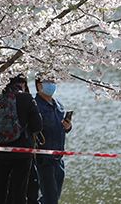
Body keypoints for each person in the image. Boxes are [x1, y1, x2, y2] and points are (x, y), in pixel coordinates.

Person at [0, 74, 42, 204]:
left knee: (0, 189)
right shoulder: (26, 98)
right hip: (21, 153)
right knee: (19, 190)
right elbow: (38, 125)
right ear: (22, 83)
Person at [34, 75, 72, 204]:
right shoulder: (35, 105)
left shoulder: (58, 104)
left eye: (53, 81)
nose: (52, 84)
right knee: (50, 199)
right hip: (43, 159)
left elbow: (61, 127)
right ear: (39, 85)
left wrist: (68, 126)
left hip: (58, 158)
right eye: (48, 81)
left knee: (54, 197)